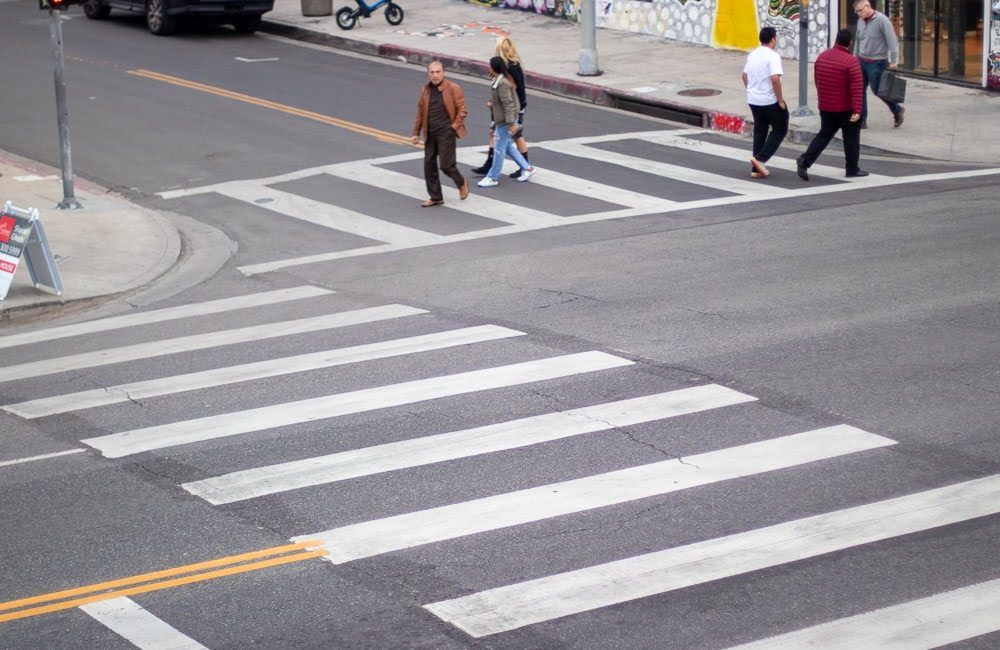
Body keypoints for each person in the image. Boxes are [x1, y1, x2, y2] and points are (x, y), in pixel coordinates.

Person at [796, 29, 868, 181]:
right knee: (851, 138)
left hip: (827, 107)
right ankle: (852, 168)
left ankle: (805, 160)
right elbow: (857, 89)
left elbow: (817, 81)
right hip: (845, 108)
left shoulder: (822, 57)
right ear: (850, 43)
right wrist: (857, 110)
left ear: (836, 40)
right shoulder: (851, 61)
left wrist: (823, 99)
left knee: (824, 135)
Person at [411, 60, 469, 207]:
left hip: (446, 132)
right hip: (430, 132)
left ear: (443, 73)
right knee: (429, 164)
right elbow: (420, 112)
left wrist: (453, 126)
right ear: (428, 73)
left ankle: (461, 182)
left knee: (446, 165)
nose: (435, 75)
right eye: (432, 72)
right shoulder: (426, 90)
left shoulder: (454, 88)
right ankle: (436, 197)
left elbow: (462, 110)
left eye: (438, 72)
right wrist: (416, 132)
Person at [472, 36, 530, 178]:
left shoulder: (512, 67)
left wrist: (518, 111)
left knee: (515, 136)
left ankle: (524, 166)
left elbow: (518, 91)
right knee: (495, 133)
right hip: (503, 108)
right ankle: (492, 164)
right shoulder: (505, 66)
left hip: (512, 109)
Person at [477, 56, 536, 187]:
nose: (488, 68)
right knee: (508, 147)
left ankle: (493, 177)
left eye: (489, 65)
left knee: (499, 150)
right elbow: (502, 101)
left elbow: (508, 104)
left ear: (494, 68)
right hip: (503, 120)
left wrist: (511, 124)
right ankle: (527, 168)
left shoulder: (502, 83)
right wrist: (492, 103)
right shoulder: (499, 80)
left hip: (505, 121)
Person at [741, 26, 788, 179]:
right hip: (769, 100)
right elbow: (775, 79)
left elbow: (744, 76)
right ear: (773, 39)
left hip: (753, 100)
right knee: (780, 128)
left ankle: (756, 169)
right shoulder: (773, 56)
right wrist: (780, 100)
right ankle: (761, 159)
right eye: (776, 38)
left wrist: (752, 90)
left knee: (760, 130)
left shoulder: (753, 54)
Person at [853, 0, 904, 128]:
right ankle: (862, 120)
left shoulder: (882, 20)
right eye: (856, 11)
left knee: (878, 91)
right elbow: (858, 41)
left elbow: (892, 42)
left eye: (860, 10)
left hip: (877, 62)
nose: (858, 14)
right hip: (861, 60)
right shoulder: (860, 21)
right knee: (859, 90)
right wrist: (854, 59)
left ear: (868, 6)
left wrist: (894, 61)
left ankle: (897, 110)